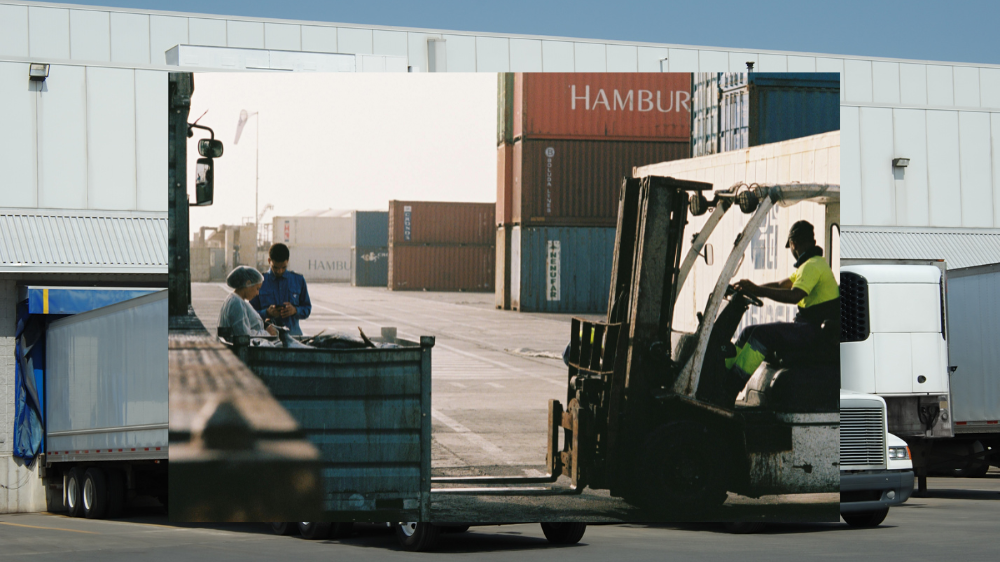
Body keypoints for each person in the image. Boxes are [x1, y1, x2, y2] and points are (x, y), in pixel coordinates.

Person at [724, 220, 840, 386]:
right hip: (809, 327)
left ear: (793, 244)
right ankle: (723, 375)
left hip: (814, 330)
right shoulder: (811, 265)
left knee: (761, 335)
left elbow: (794, 296)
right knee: (748, 332)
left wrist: (759, 290)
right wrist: (752, 289)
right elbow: (780, 285)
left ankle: (731, 386)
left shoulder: (812, 266)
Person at [251, 243, 312, 336]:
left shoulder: (298, 280)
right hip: (267, 338)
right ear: (269, 261)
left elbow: (307, 309)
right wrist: (267, 312)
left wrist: (295, 310)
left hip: (293, 337)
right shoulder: (259, 281)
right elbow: (250, 314)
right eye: (275, 267)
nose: (279, 271)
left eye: (283, 267)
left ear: (287, 261)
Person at [219, 265, 278, 339]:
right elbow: (243, 335)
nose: (257, 293)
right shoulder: (236, 303)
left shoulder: (237, 300)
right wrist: (267, 333)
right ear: (248, 283)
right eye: (257, 288)